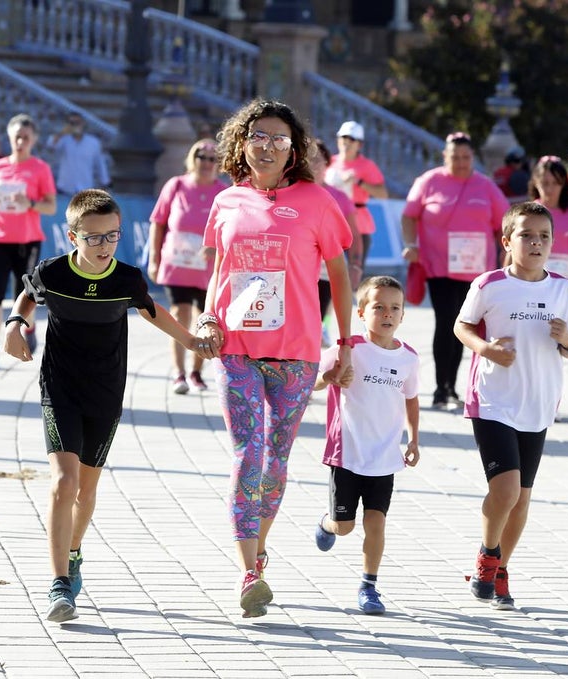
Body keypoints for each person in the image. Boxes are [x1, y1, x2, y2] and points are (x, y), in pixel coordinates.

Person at [1, 188, 213, 623]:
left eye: (112, 236)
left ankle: (74, 550)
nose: (104, 246)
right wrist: (15, 325)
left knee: (87, 489)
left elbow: (152, 311)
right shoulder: (53, 272)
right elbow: (27, 294)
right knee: (64, 481)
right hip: (60, 387)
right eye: (94, 238)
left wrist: (191, 340)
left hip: (106, 391)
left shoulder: (127, 278)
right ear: (72, 235)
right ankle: (59, 583)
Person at [195, 99, 355, 618]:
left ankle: (257, 548)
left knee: (277, 462)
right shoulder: (227, 203)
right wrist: (207, 317)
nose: (268, 146)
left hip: (296, 352)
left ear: (294, 152)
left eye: (280, 140)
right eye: (258, 136)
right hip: (236, 348)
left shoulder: (318, 201)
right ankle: (249, 572)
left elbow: (341, 276)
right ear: (242, 143)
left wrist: (346, 344)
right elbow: (218, 270)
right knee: (249, 453)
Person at [454, 201, 568, 612]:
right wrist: (486, 349)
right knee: (506, 488)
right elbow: (462, 326)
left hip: (539, 403)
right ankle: (487, 555)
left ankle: (499, 569)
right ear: (507, 241)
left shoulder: (562, 289)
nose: (537, 243)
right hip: (493, 400)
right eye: (527, 235)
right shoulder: (489, 284)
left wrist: (565, 339)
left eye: (544, 236)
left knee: (522, 498)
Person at [312, 275, 420, 615]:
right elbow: (311, 382)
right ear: (361, 312)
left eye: (394, 308)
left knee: (376, 522)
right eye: (378, 307)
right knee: (344, 528)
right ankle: (326, 523)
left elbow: (411, 398)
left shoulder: (409, 358)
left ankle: (369, 586)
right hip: (347, 455)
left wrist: (414, 437)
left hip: (384, 457)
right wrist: (330, 378)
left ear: (402, 315)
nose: (387, 314)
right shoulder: (349, 348)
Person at [400, 131, 510, 411]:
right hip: (439, 267)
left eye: (466, 157)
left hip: (475, 271)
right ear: (445, 157)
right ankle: (440, 387)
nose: (461, 162)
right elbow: (409, 215)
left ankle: (452, 385)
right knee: (446, 321)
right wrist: (411, 244)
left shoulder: (485, 186)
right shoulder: (429, 181)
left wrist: (504, 252)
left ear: (473, 157)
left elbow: (505, 223)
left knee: (465, 326)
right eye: (455, 157)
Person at [0, 113, 57, 369]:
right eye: (17, 137)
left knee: (23, 295)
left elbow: (51, 207)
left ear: (33, 140)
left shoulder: (40, 169)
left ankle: (29, 330)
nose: (20, 142)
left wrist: (30, 204)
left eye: (26, 138)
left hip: (27, 241)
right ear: (9, 138)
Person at [148, 138, 227, 393]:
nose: (206, 163)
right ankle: (179, 373)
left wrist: (217, 246)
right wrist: (153, 258)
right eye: (201, 157)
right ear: (192, 159)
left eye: (212, 158)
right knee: (179, 315)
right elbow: (158, 222)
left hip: (208, 269)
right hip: (177, 265)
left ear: (219, 163)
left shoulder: (223, 192)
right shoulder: (176, 185)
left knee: (204, 319)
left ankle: (196, 372)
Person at [526, 155, 568, 321]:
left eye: (555, 183)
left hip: (567, 286)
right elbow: (514, 249)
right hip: (533, 284)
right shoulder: (527, 212)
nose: (550, 189)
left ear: (564, 184)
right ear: (536, 183)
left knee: (564, 336)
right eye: (545, 183)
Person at [311, 138, 363, 342]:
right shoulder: (289, 191)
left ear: (327, 164)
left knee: (319, 316)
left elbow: (355, 235)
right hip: (298, 267)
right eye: (309, 159)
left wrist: (356, 265)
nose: (313, 164)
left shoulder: (339, 197)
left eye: (318, 160)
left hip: (326, 268)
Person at [325, 121, 387, 268]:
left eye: (352, 140)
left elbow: (382, 194)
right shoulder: (329, 162)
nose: (346, 143)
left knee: (353, 271)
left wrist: (359, 182)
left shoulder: (367, 166)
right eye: (343, 138)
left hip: (358, 227)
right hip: (330, 225)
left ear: (359, 144)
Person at [48, 111, 111, 195]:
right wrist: (63, 132)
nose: (76, 125)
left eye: (78, 122)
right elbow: (50, 145)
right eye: (72, 123)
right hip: (65, 189)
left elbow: (100, 164)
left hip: (85, 189)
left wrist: (105, 183)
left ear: (83, 123)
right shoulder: (63, 140)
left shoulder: (93, 142)